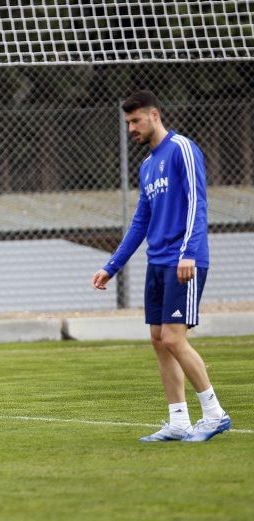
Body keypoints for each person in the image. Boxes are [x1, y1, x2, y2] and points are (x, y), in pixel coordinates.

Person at [92, 90, 231, 442]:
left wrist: (188, 252)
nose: (131, 129)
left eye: (135, 121)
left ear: (154, 115)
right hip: (158, 262)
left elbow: (198, 203)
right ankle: (179, 420)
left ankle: (215, 413)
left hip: (183, 260)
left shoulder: (182, 148)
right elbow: (141, 221)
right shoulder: (147, 165)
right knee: (158, 339)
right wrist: (113, 265)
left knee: (173, 337)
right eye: (127, 123)